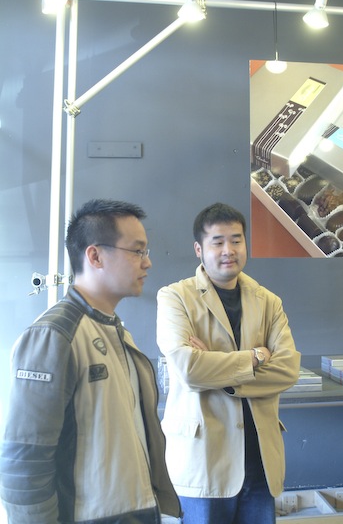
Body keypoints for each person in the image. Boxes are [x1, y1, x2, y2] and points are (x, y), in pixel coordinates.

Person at [0, 198, 182, 524]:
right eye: (137, 251)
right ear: (95, 256)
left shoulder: (115, 330)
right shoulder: (55, 335)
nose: (148, 262)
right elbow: (25, 464)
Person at [156, 202, 300, 524]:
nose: (228, 250)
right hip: (204, 459)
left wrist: (218, 372)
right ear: (199, 249)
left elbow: (288, 370)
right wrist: (256, 357)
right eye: (217, 242)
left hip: (259, 460)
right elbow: (189, 369)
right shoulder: (175, 297)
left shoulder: (268, 301)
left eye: (236, 240)